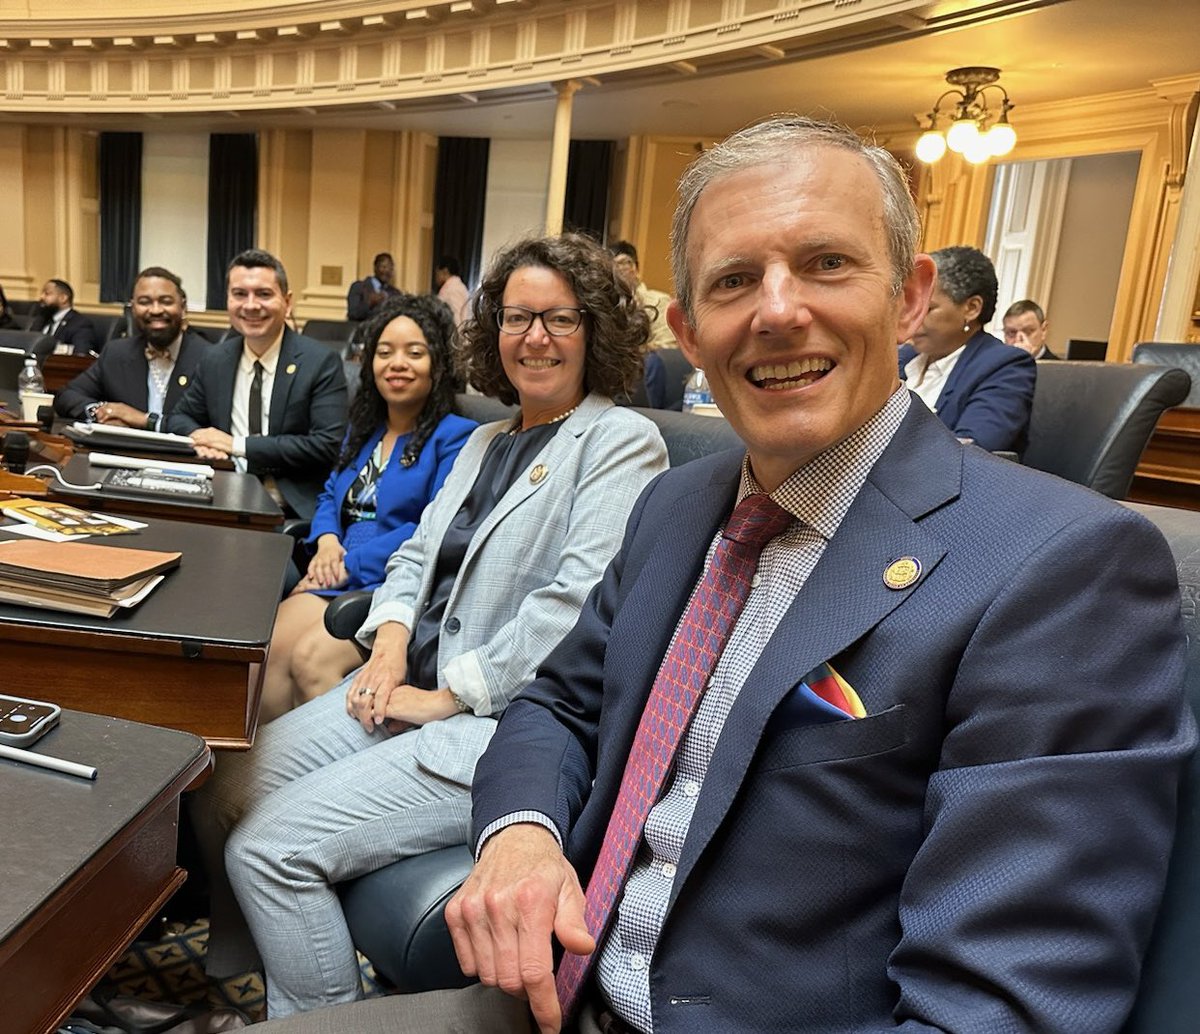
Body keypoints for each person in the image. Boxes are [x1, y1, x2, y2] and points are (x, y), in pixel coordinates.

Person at [254, 115, 1195, 1034]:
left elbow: (997, 1006)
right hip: (553, 995)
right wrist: (521, 834)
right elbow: (558, 708)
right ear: (691, 331)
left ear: (910, 298)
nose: (779, 311)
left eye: (828, 263)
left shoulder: (1064, 565)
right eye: (735, 280)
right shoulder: (677, 506)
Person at [191, 232, 670, 1018]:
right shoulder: (488, 439)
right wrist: (383, 652)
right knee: (223, 783)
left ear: (598, 330)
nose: (535, 338)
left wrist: (446, 695)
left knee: (269, 851)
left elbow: (573, 605)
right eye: (517, 318)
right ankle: (252, 970)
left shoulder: (621, 441)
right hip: (404, 689)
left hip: (498, 725)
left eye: (559, 319)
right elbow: (413, 557)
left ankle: (323, 1021)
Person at [259, 294, 477, 723]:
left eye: (415, 353)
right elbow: (328, 496)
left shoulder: (457, 436)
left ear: (438, 365)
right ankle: (259, 776)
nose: (398, 363)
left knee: (309, 658)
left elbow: (429, 526)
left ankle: (326, 773)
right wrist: (325, 542)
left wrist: (348, 564)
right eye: (385, 352)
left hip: (391, 579)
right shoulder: (365, 430)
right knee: (265, 650)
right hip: (335, 566)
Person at [167, 249, 348, 519]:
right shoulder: (215, 359)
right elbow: (179, 417)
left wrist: (236, 445)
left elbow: (324, 445)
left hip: (288, 509)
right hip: (218, 498)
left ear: (287, 303)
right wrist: (202, 439)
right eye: (239, 294)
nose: (250, 305)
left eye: (264, 294)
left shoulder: (320, 362)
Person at [898, 245, 1036, 454]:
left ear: (971, 308)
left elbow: (973, 449)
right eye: (909, 305)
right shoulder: (903, 357)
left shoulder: (1005, 366)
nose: (910, 317)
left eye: (927, 308)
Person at [54, 267, 207, 429]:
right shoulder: (116, 353)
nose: (155, 310)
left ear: (183, 308)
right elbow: (67, 395)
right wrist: (100, 412)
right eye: (144, 302)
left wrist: (144, 420)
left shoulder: (209, 358)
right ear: (133, 308)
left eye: (166, 301)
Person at [610, 240, 675, 350]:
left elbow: (668, 350)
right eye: (612, 266)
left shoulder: (658, 301)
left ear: (636, 268)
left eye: (624, 263)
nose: (618, 270)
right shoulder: (606, 303)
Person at [34, 278, 98, 355]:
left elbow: (80, 355)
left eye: (47, 293)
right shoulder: (41, 320)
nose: (41, 297)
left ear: (63, 298)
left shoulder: (80, 324)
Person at [347, 253, 401, 322]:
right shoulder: (358, 287)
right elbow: (352, 314)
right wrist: (369, 303)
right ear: (375, 267)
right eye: (383, 267)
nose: (387, 271)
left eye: (390, 268)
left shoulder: (395, 293)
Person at [434, 256, 471, 325]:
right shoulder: (459, 286)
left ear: (445, 271)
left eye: (437, 273)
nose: (436, 277)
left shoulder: (451, 289)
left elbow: (456, 318)